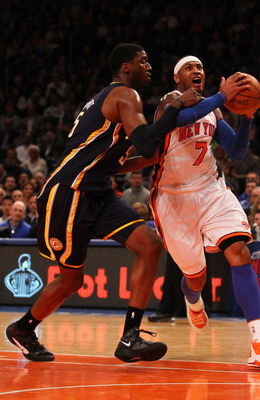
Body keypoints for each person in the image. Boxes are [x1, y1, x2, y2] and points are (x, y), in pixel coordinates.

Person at [5, 43, 199, 364]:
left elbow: (134, 156)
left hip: (99, 191)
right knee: (72, 280)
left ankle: (130, 338)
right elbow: (147, 140)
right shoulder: (125, 95)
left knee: (150, 246)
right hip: (71, 190)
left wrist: (158, 154)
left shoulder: (118, 101)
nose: (149, 66)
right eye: (143, 61)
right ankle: (24, 328)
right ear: (125, 68)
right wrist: (176, 108)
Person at [120, 55, 260, 370]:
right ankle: (192, 299)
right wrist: (222, 96)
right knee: (196, 279)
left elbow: (236, 153)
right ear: (177, 79)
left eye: (199, 67)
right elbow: (181, 119)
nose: (197, 71)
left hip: (211, 190)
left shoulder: (213, 109)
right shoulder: (169, 102)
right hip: (173, 200)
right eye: (189, 68)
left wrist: (248, 117)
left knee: (239, 252)